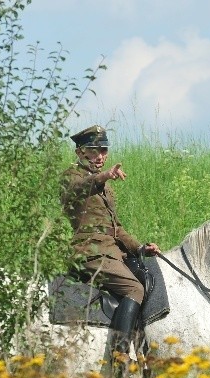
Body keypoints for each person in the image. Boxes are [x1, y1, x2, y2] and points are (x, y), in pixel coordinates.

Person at [60, 125, 160, 356]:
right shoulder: (71, 177)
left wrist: (140, 248)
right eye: (94, 150)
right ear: (80, 152)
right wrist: (103, 176)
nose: (100, 156)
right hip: (89, 252)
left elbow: (116, 229)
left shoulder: (106, 189)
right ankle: (120, 356)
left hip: (111, 251)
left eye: (103, 150)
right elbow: (76, 190)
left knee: (149, 278)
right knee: (134, 288)